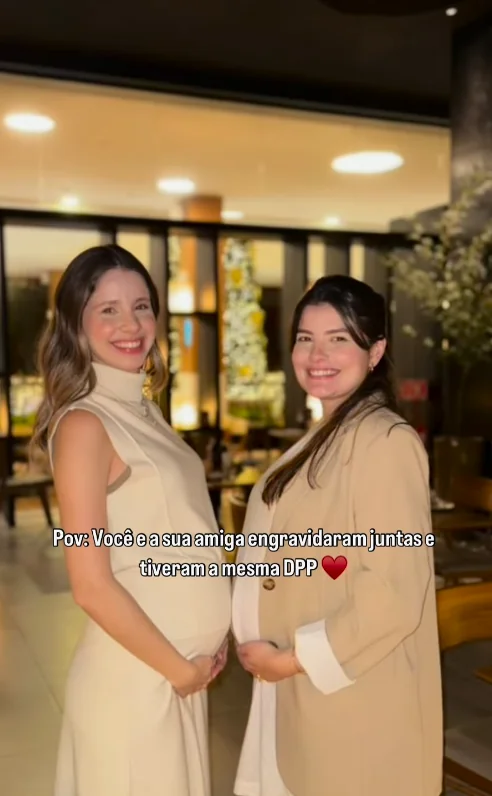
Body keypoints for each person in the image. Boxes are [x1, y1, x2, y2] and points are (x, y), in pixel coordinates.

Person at [31, 244, 231, 796]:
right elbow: (91, 585)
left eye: (141, 306)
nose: (131, 324)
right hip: (139, 681)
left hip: (176, 676)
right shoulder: (84, 425)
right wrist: (180, 670)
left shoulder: (143, 410)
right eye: (108, 310)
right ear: (76, 324)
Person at [232, 275, 442, 796]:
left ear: (376, 351)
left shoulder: (384, 442)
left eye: (338, 339)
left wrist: (292, 660)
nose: (317, 355)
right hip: (304, 695)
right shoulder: (326, 434)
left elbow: (393, 591)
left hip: (352, 695)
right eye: (305, 338)